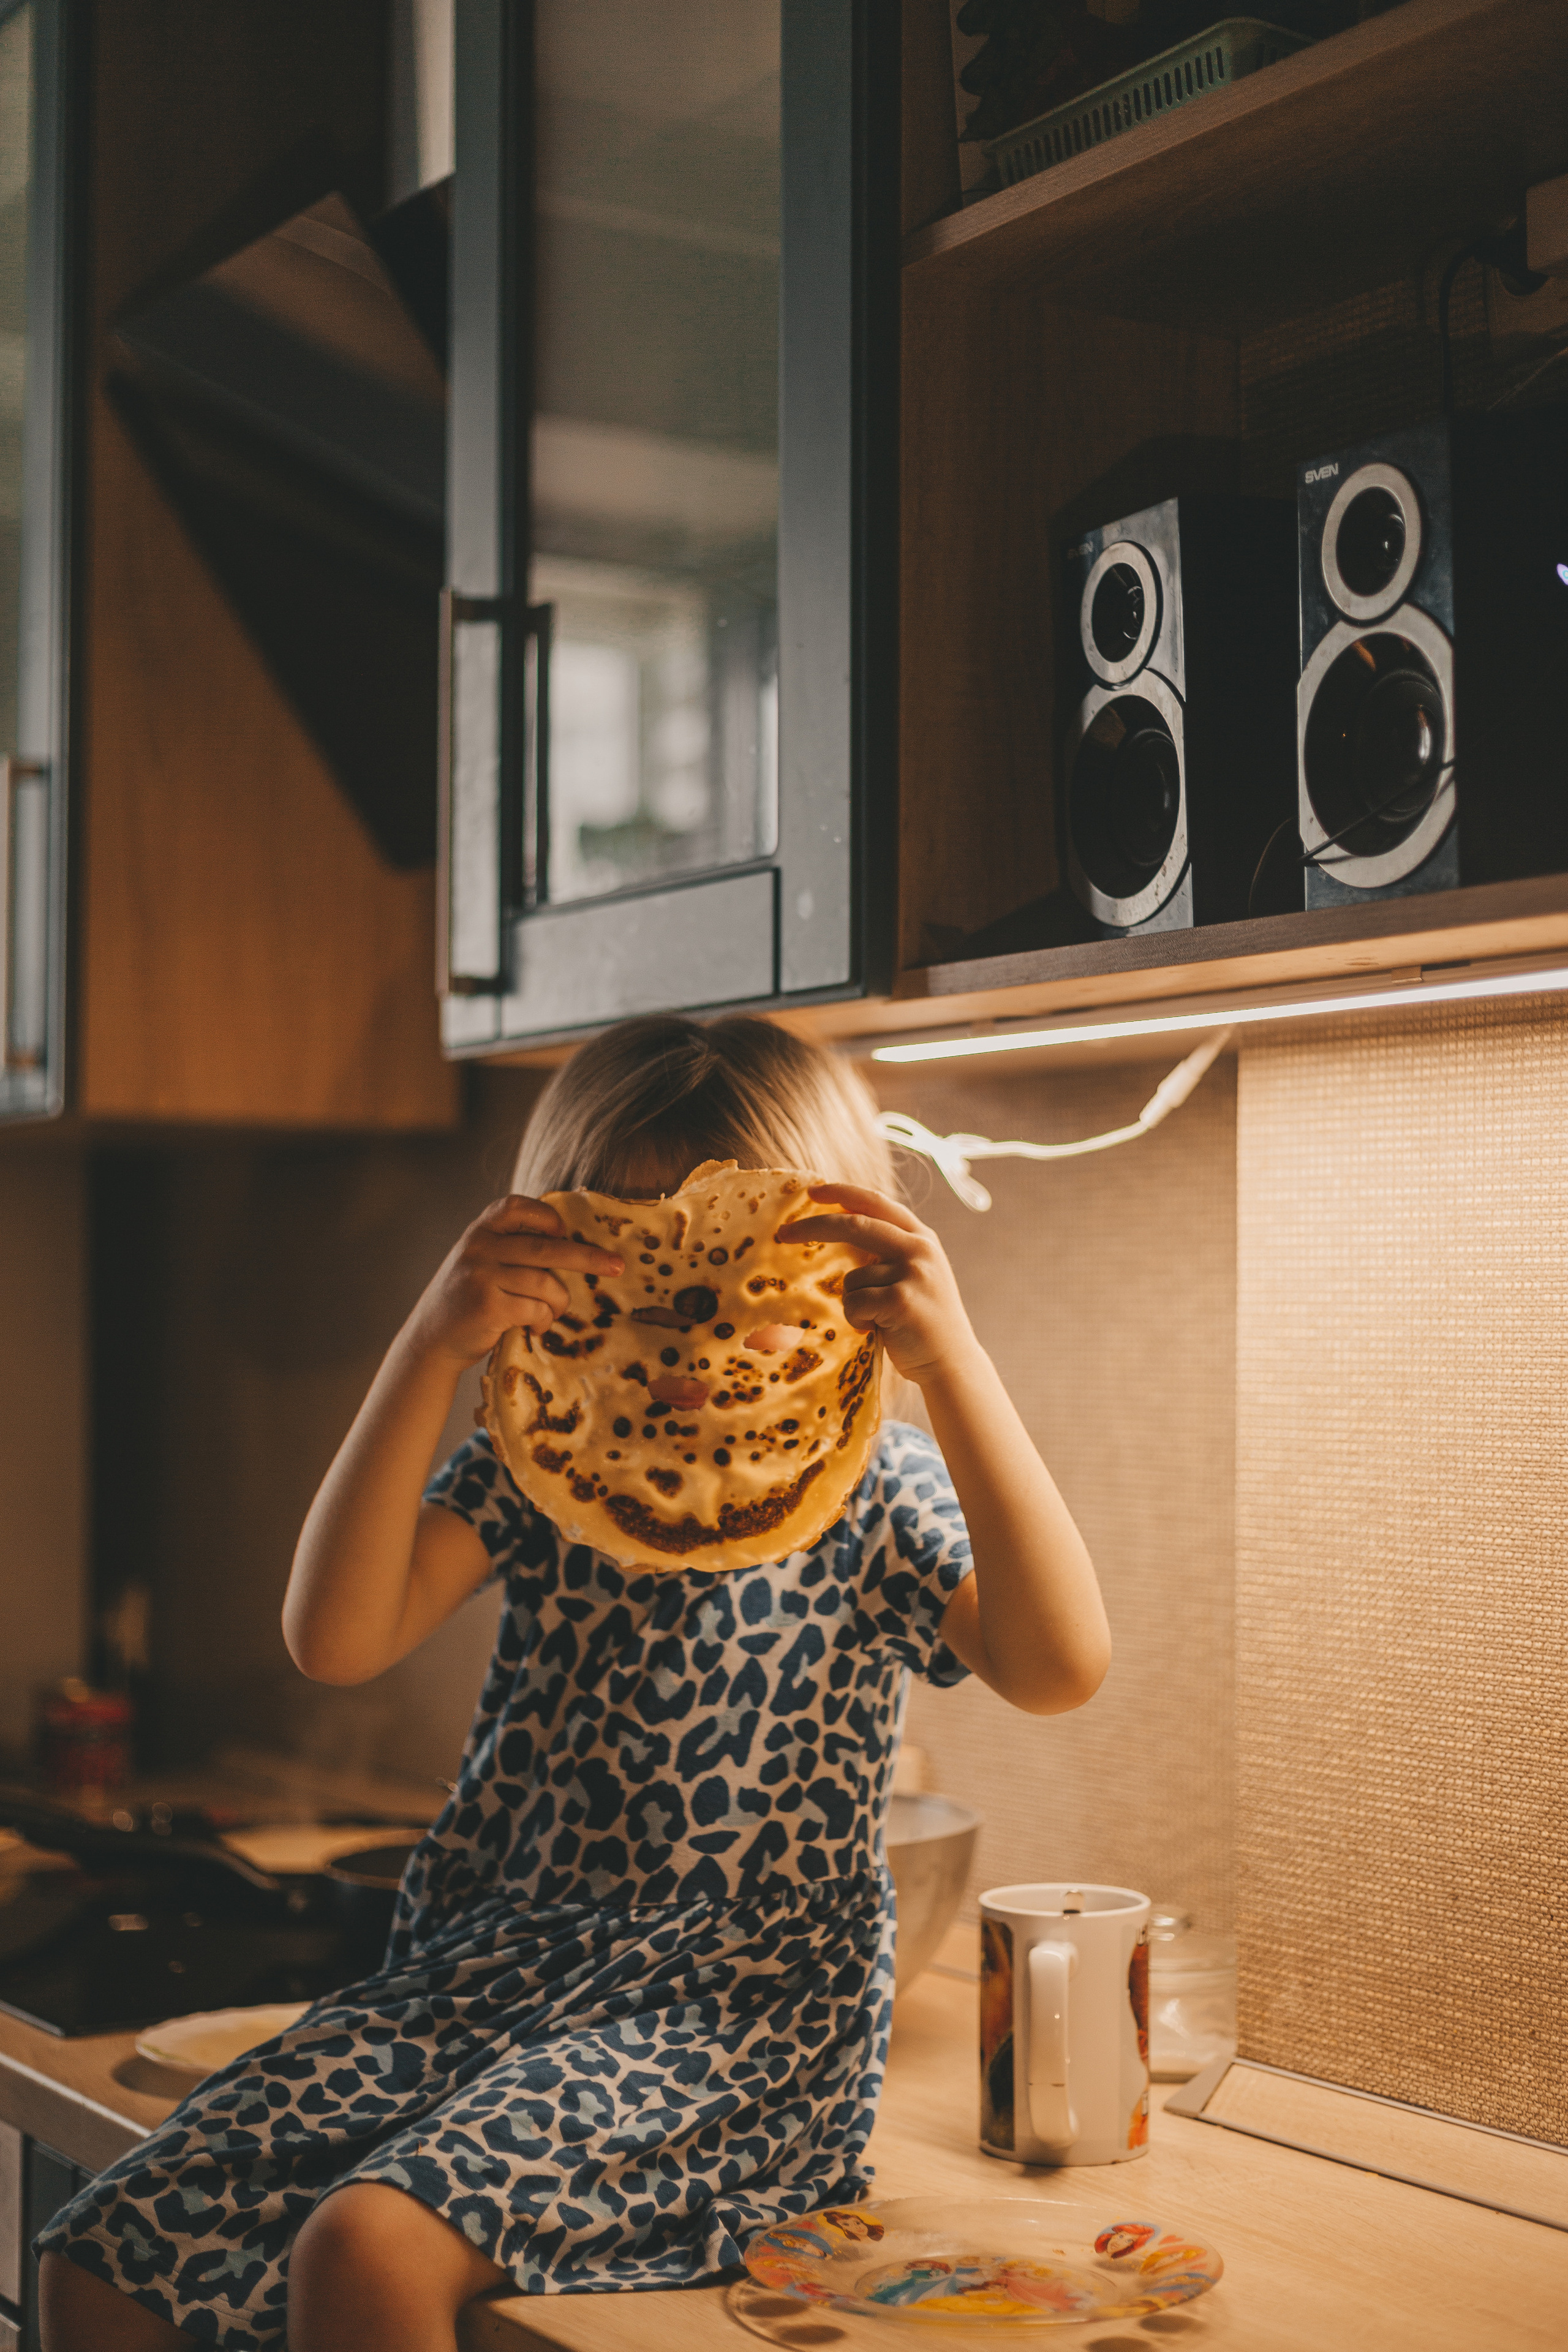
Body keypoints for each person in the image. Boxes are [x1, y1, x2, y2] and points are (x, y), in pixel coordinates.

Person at [40, 1014, 1110, 2352]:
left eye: (734, 1281)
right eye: (631, 1273)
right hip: (486, 1976)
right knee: (102, 2245)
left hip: (738, 2021)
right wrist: (431, 1346)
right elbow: (337, 1635)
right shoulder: (539, 1468)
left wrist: (952, 1366)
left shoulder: (874, 1498)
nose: (681, 1334)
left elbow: (1059, 1666)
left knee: (362, 2249)